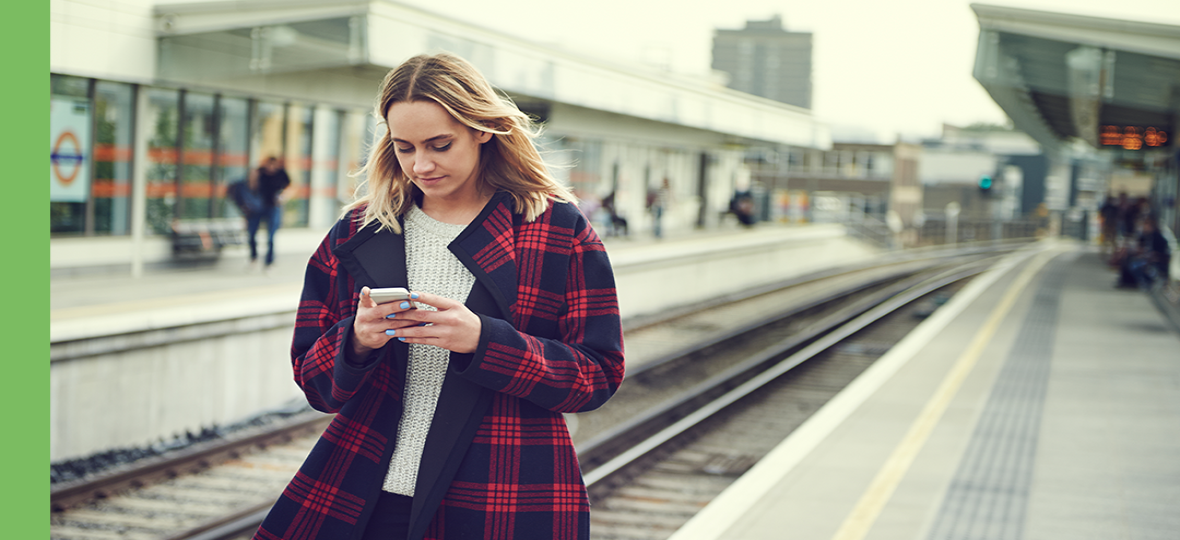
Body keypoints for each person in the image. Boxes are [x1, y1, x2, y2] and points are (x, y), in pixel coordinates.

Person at [253, 53, 626, 540]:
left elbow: (596, 376)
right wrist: (358, 340)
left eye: (440, 144)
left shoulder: (555, 231)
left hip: (498, 498)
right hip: (365, 496)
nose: (420, 165)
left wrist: (484, 341)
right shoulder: (360, 231)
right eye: (404, 147)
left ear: (482, 130)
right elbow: (316, 384)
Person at [246, 156, 290, 272]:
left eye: (273, 165)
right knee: (251, 233)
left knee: (271, 236)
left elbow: (289, 186)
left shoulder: (281, 174)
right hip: (258, 207)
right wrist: (253, 176)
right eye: (269, 165)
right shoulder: (259, 172)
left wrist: (283, 196)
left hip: (274, 207)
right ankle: (253, 258)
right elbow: (251, 187)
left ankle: (269, 262)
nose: (271, 168)